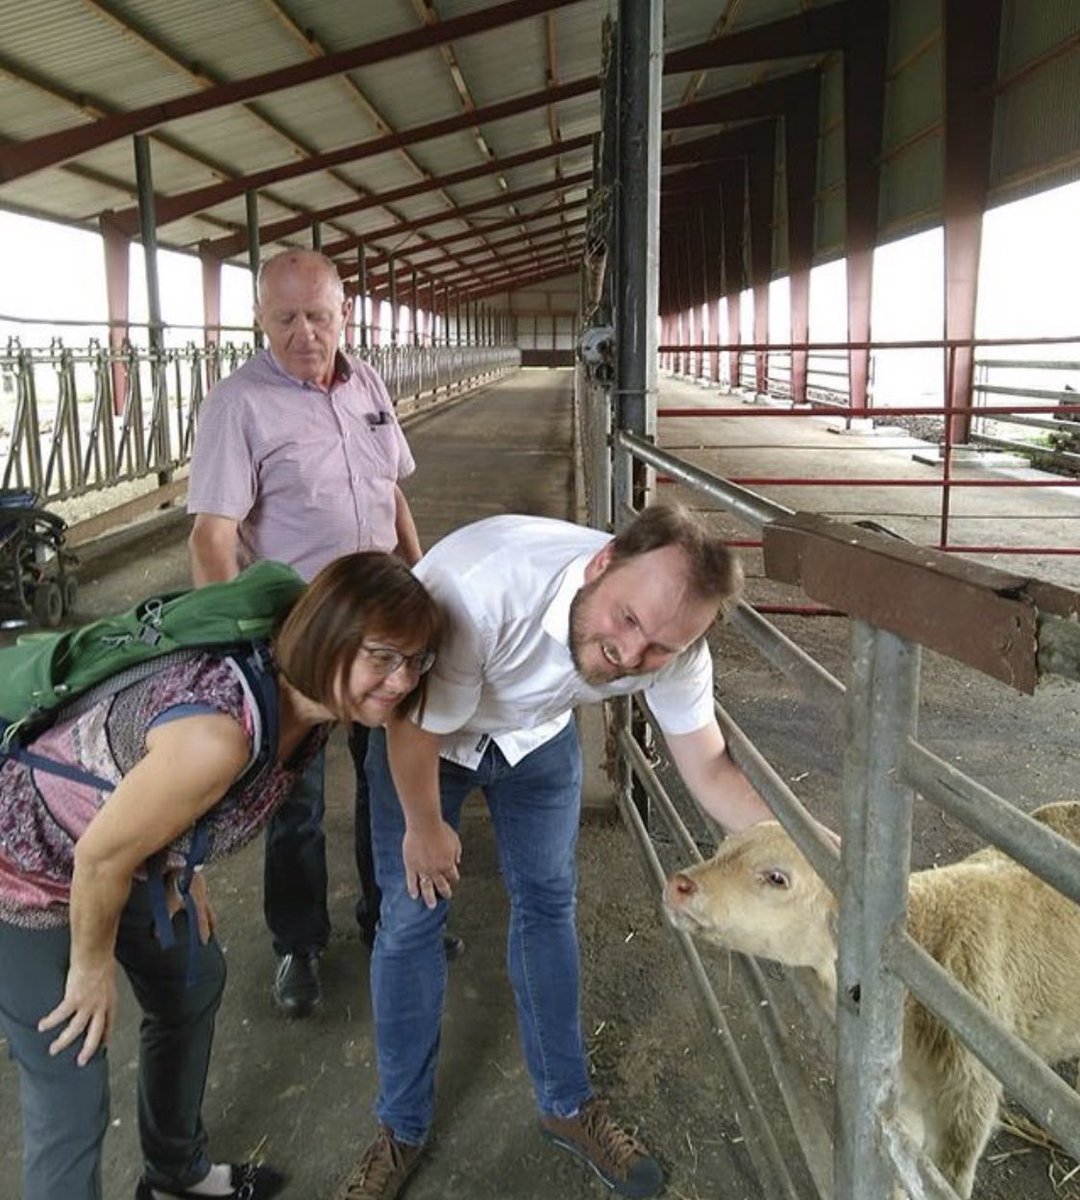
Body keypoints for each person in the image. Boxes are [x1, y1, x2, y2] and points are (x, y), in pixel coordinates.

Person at [334, 504, 780, 1200]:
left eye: (660, 647)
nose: (633, 656)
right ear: (602, 565)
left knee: (547, 903)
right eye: (627, 621)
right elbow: (415, 725)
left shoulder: (676, 645)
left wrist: (804, 846)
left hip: (535, 736)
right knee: (412, 917)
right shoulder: (480, 589)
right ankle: (402, 1127)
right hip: (428, 740)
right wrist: (423, 826)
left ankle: (567, 1105)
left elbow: (711, 771)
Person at [0, 552, 442, 1200]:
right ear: (327, 636)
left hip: (124, 852)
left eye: (415, 661)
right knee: (72, 1073)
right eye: (383, 656)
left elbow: (168, 807)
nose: (401, 681)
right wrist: (89, 966)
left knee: (193, 978)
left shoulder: (311, 708)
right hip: (27, 870)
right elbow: (100, 856)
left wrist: (182, 863)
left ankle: (174, 1174)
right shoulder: (219, 735)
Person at [188, 248, 455, 1022]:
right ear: (261, 320)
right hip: (298, 639)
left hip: (383, 630)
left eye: (320, 316)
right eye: (286, 319)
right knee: (294, 797)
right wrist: (230, 647)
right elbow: (213, 536)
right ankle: (298, 944)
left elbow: (392, 490)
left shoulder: (366, 381)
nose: (305, 333)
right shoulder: (237, 404)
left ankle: (391, 919)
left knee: (390, 778)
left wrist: (420, 577)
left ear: (346, 314)